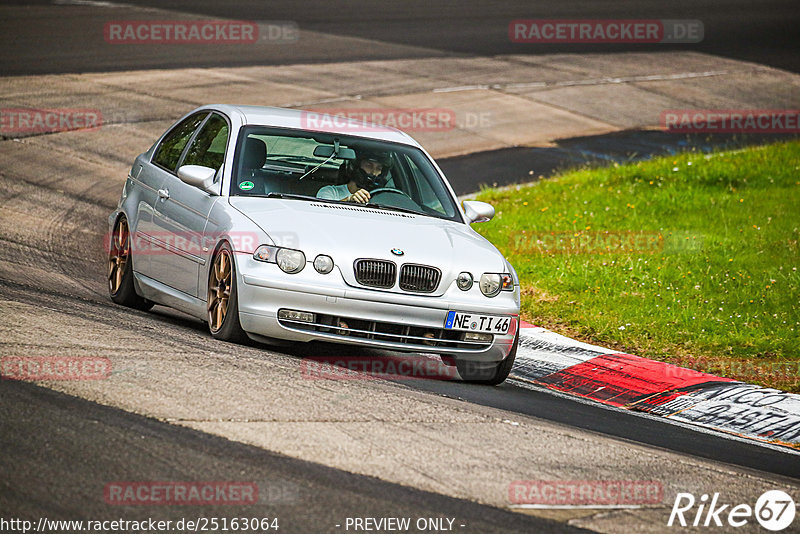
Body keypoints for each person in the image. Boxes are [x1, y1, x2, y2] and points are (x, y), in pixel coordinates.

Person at [316, 149, 392, 203]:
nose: (374, 173)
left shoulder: (382, 198)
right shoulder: (330, 192)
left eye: (379, 168)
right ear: (356, 167)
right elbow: (324, 215)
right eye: (369, 165)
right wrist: (349, 200)